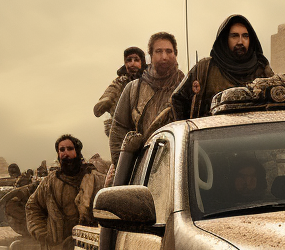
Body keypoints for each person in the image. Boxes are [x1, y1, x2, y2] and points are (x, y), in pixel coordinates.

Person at [26, 135, 105, 250]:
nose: (65, 153)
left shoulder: (95, 179)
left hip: (90, 248)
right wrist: (44, 233)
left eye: (70, 148)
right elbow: (33, 207)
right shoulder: (50, 183)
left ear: (77, 152)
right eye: (61, 150)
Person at [172, 15, 273, 120]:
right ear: (225, 38)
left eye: (245, 36)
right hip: (212, 133)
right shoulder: (205, 68)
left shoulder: (262, 70)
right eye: (234, 36)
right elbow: (178, 98)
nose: (240, 41)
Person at [108, 33, 185, 162]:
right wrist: (124, 165)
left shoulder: (186, 87)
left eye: (169, 51)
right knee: (113, 181)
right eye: (159, 51)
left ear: (175, 54)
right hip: (142, 166)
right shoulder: (133, 90)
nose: (164, 56)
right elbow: (118, 130)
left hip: (178, 160)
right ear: (150, 55)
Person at [94, 47, 146, 137]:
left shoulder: (151, 80)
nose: (132, 63)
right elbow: (98, 110)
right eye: (128, 60)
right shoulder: (120, 82)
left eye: (136, 60)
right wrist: (107, 101)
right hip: (126, 132)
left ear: (142, 62)